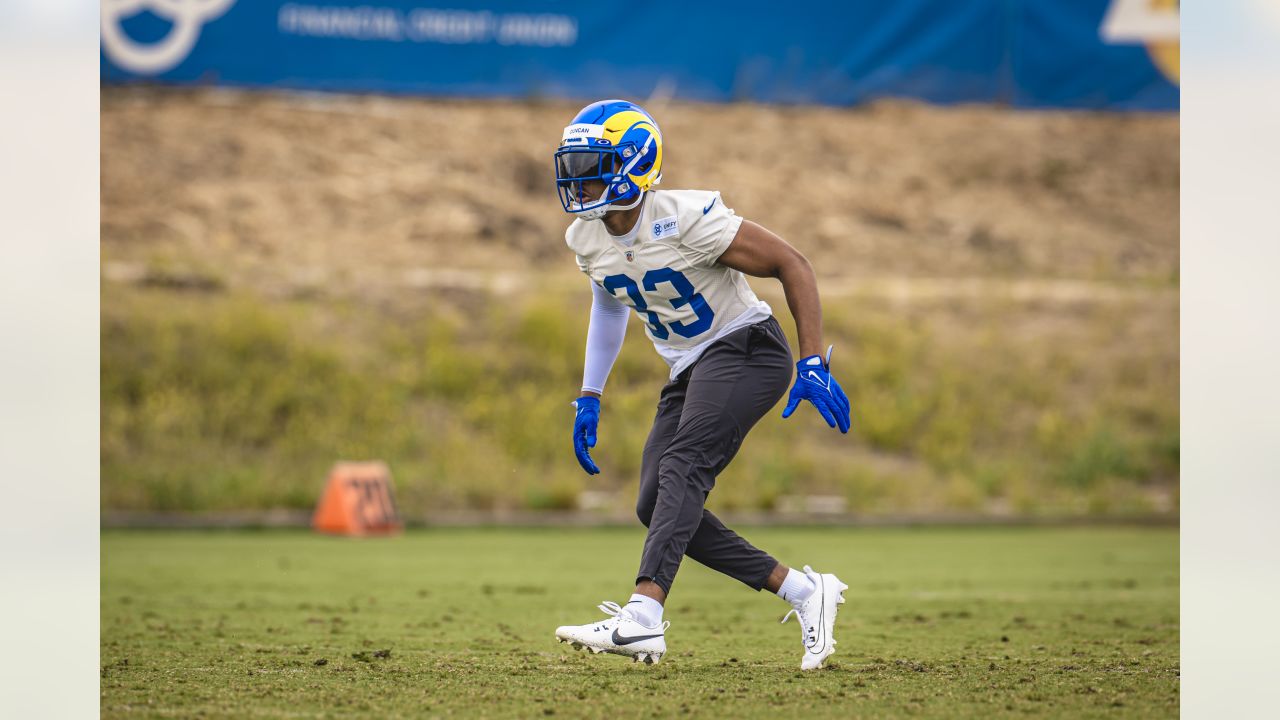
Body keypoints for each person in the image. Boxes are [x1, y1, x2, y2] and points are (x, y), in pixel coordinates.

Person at [551, 100, 852, 670]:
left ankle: (642, 617)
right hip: (689, 365)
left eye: (593, 163)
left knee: (683, 466)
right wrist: (591, 393)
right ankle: (804, 593)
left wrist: (812, 359)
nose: (579, 177)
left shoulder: (685, 216)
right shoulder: (585, 238)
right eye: (575, 165)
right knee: (653, 502)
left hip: (747, 346)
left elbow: (794, 263)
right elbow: (609, 306)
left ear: (633, 164)